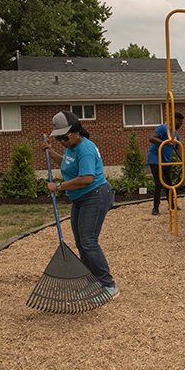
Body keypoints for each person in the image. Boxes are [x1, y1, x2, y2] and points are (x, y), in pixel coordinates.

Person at [45, 111, 118, 298]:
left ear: (76, 132)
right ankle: (93, 281)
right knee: (81, 242)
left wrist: (59, 186)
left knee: (89, 242)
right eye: (59, 138)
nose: (62, 141)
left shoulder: (85, 149)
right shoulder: (71, 147)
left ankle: (108, 285)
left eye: (64, 137)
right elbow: (67, 164)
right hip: (80, 199)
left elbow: (86, 178)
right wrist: (50, 152)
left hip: (95, 196)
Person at [148, 112, 184, 216]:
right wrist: (166, 142)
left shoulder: (175, 134)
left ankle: (171, 204)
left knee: (169, 183)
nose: (180, 125)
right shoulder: (163, 128)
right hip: (155, 159)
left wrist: (183, 160)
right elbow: (152, 138)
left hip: (166, 161)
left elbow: (178, 147)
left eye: (181, 123)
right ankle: (155, 208)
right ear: (174, 120)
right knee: (159, 183)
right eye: (179, 122)